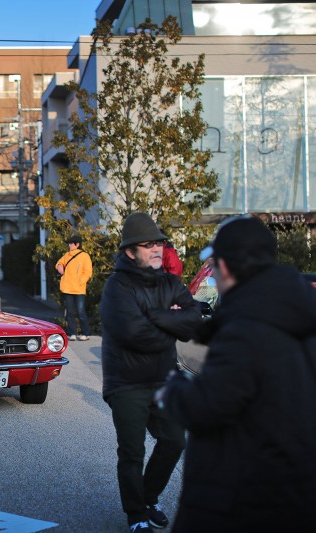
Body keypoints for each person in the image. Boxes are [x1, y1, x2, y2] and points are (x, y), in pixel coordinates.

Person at [158, 216, 316, 533]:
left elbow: (208, 406)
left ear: (225, 267)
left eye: (213, 264)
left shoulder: (245, 327)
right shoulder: (290, 316)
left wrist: (174, 389)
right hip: (301, 494)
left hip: (245, 500)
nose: (213, 273)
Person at [100, 212, 202, 532]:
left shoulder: (170, 282)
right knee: (132, 452)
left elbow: (193, 321)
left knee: (175, 441)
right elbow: (135, 334)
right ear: (131, 252)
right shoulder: (117, 287)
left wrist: (155, 317)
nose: (158, 248)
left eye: (159, 243)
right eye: (148, 245)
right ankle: (136, 515)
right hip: (126, 382)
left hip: (163, 379)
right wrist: (170, 322)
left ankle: (148, 497)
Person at [55, 233, 92, 341]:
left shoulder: (85, 256)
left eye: (71, 243)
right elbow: (59, 262)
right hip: (67, 288)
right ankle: (72, 333)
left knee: (80, 311)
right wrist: (59, 266)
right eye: (69, 243)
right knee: (70, 312)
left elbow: (88, 272)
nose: (69, 245)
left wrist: (80, 281)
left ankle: (86, 333)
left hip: (79, 289)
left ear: (77, 244)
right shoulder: (67, 255)